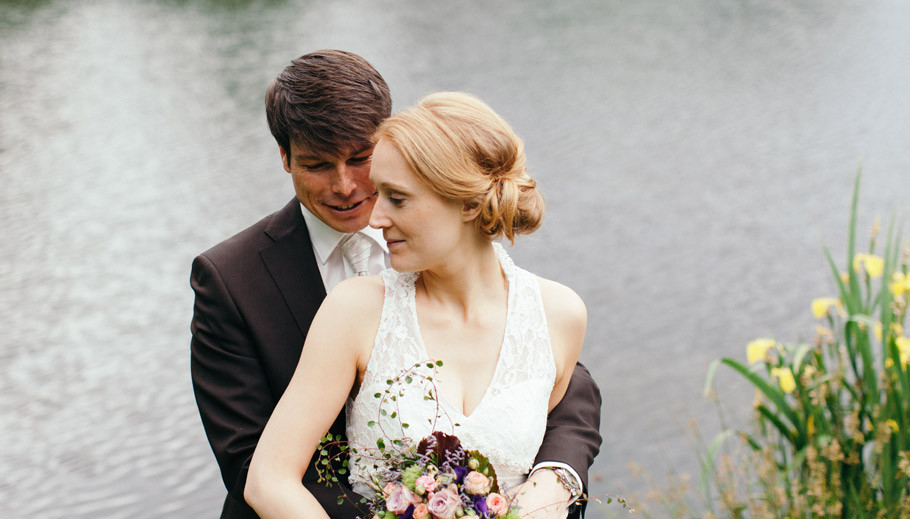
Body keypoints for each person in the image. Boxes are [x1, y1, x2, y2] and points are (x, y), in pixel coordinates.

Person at [190, 50, 602, 519]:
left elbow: (550, 382)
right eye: (318, 165)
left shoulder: (499, 275)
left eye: (361, 158)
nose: (346, 187)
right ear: (284, 158)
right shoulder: (231, 279)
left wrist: (553, 480)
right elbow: (253, 468)